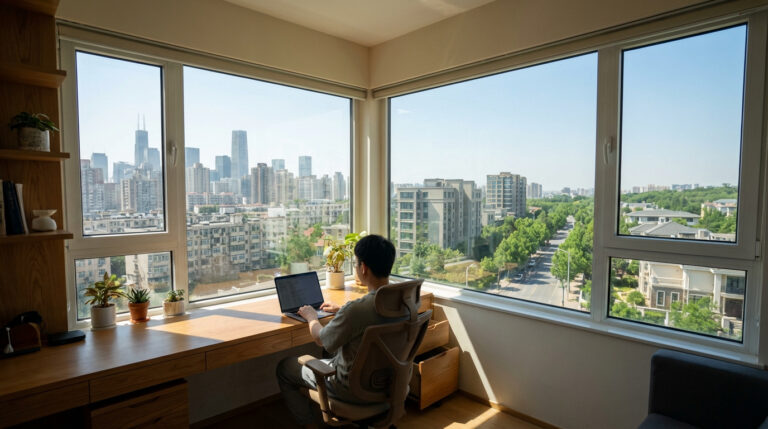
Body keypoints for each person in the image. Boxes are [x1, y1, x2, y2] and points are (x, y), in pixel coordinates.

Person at [276, 234, 397, 429]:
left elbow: (320, 339)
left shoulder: (357, 309)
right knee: (331, 352)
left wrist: (311, 317)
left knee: (284, 368)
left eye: (356, 264)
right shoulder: (403, 302)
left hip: (350, 389)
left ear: (363, 268)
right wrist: (343, 312)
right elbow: (370, 317)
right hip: (387, 382)